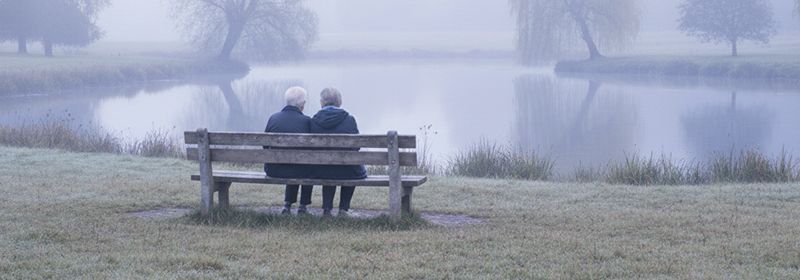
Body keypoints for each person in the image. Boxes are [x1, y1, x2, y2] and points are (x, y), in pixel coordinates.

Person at [310, 88, 367, 217]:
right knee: (352, 166)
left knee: (329, 168)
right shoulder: (349, 119)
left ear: (322, 102)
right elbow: (356, 147)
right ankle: (343, 209)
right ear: (340, 102)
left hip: (321, 170)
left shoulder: (314, 120)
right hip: (348, 170)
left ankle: (327, 210)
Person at [264, 87, 314, 215]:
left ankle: (287, 205)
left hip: (274, 170)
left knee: (295, 163)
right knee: (307, 164)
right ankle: (302, 206)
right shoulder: (307, 121)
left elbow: (265, 146)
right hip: (301, 171)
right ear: (302, 105)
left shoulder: (273, 118)